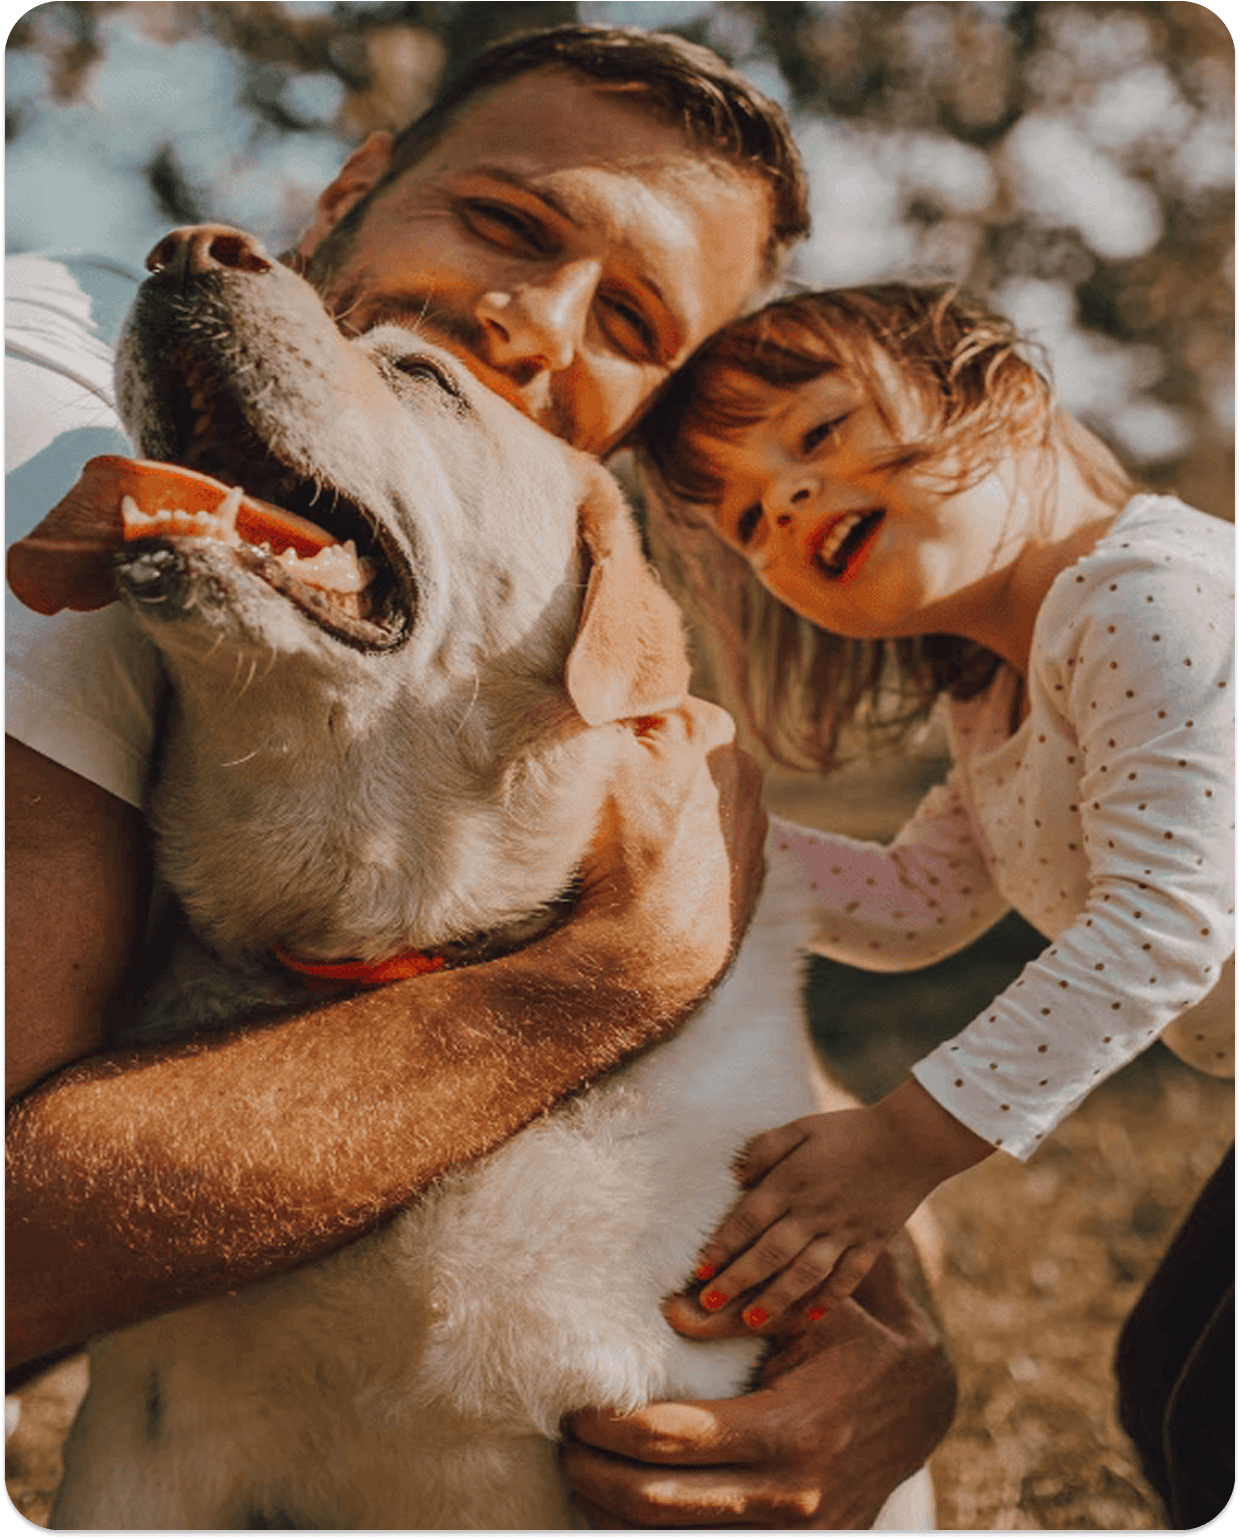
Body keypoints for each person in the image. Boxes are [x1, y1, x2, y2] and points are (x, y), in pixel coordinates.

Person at [4, 28, 954, 1531]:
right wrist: (610, 975)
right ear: (353, 188)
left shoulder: (580, 646)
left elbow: (783, 1116)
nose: (533, 324)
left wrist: (898, 1363)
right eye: (508, 222)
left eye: (635, 318)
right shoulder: (44, 414)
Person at [639, 282, 1235, 1525]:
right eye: (748, 514)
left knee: (1220, 1421)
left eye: (814, 433)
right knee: (1162, 1386)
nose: (787, 497)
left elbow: (1161, 925)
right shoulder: (997, 687)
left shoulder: (1144, 599)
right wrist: (688, 814)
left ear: (998, 393)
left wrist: (908, 1142)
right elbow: (916, 901)